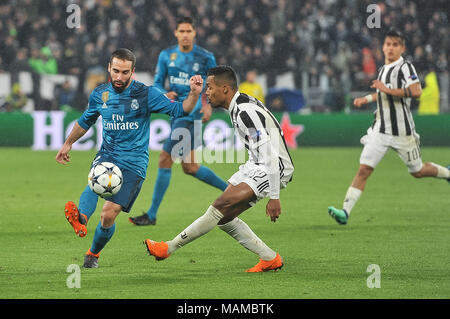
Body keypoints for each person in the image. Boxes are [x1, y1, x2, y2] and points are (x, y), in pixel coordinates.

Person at [55, 48, 203, 268]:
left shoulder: (145, 94)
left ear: (132, 72)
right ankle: (82, 220)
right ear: (109, 68)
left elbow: (180, 111)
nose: (119, 77)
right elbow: (86, 121)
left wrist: (193, 94)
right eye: (116, 71)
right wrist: (68, 143)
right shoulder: (100, 94)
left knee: (108, 215)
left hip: (134, 163)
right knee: (96, 180)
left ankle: (93, 253)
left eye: (125, 72)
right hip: (109, 154)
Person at [144, 65, 295, 272]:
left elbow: (269, 154)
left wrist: (274, 196)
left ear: (225, 89)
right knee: (224, 217)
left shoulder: (244, 112)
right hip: (256, 162)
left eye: (210, 87)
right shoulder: (239, 106)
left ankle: (169, 247)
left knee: (220, 204)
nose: (206, 92)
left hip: (273, 166)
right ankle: (269, 258)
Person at [328, 28, 450, 225]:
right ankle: (345, 212)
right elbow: (383, 94)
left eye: (395, 44)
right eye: (388, 44)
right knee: (364, 170)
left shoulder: (405, 67)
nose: (391, 48)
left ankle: (448, 173)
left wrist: (387, 89)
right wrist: (366, 98)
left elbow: (416, 91)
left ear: (402, 48)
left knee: (417, 171)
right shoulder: (383, 69)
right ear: (383, 47)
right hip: (380, 130)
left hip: (403, 133)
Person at [129, 17, 227, 226]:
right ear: (175, 33)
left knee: (165, 159)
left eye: (188, 31)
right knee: (190, 167)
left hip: (193, 115)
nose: (184, 34)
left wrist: (209, 105)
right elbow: (156, 83)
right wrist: (165, 93)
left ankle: (152, 215)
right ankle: (231, 191)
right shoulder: (166, 56)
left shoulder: (205, 57)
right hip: (177, 112)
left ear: (194, 33)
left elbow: (216, 84)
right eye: (181, 30)